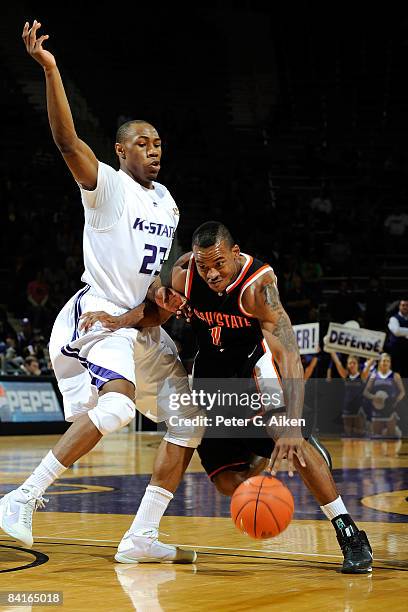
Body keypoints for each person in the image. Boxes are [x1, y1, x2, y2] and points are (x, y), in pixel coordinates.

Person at [0, 20, 205, 565]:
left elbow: (159, 280)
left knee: (190, 419)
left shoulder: (166, 201)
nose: (154, 149)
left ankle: (140, 536)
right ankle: (21, 498)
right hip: (98, 315)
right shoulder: (105, 186)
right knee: (115, 408)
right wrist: (50, 68)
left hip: (138, 322)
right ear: (120, 151)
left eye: (159, 142)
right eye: (143, 142)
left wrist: (172, 294)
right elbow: (66, 141)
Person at [83, 221, 373, 574]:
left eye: (219, 263)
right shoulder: (186, 274)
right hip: (210, 377)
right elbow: (159, 312)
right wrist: (118, 321)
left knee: (291, 441)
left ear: (235, 253)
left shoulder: (258, 286)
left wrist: (294, 423)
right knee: (226, 483)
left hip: (254, 372)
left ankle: (349, 533)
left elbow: (289, 354)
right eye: (204, 266)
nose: (211, 273)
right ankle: (265, 457)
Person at [329, 353, 373, 437]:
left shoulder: (362, 376)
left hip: (359, 409)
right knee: (348, 435)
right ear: (347, 365)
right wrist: (331, 351)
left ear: (357, 364)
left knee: (359, 435)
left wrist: (376, 352)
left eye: (354, 363)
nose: (352, 365)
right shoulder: (345, 375)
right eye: (350, 363)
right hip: (347, 408)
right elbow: (337, 362)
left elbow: (370, 363)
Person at [363, 353, 405, 438]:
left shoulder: (395, 375)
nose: (385, 363)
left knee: (391, 437)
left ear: (390, 363)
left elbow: (402, 392)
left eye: (387, 361)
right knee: (376, 437)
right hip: (376, 410)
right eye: (383, 361)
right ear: (379, 362)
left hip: (390, 410)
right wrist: (374, 397)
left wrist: (396, 401)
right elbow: (365, 392)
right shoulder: (374, 375)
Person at [387, 299, 408, 379]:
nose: (405, 307)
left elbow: (400, 331)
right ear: (399, 306)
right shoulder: (393, 318)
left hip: (407, 352)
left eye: (407, 305)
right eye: (403, 305)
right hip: (396, 352)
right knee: (397, 374)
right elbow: (396, 331)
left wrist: (404, 332)